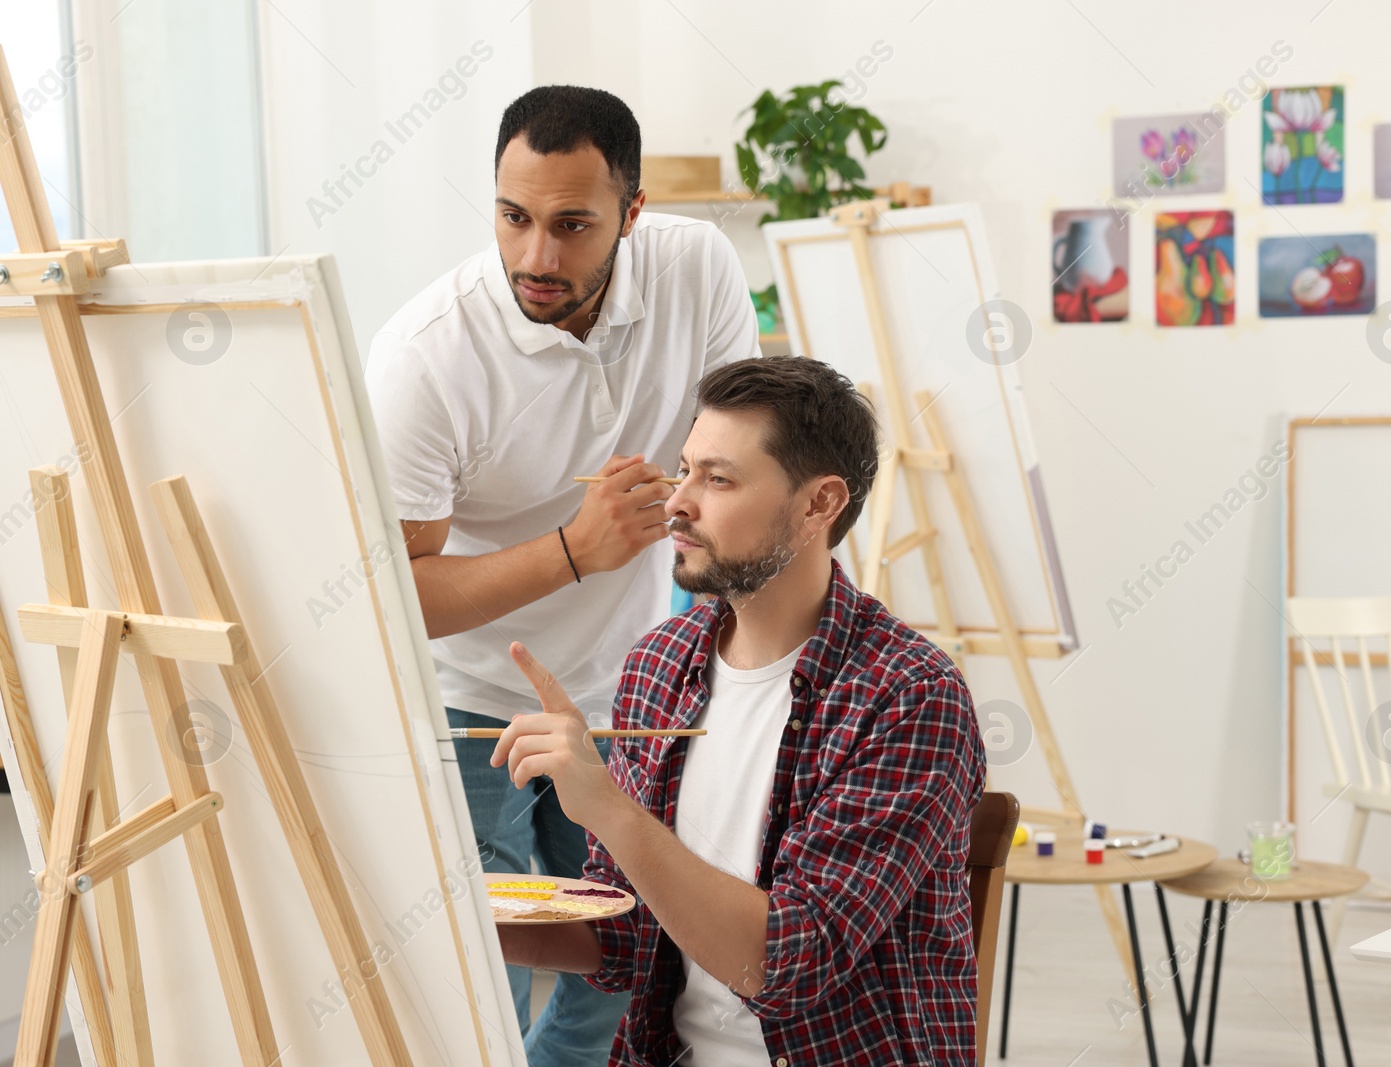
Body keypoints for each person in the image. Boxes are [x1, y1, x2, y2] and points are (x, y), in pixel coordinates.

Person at [364, 85, 761, 1064]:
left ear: (632, 214)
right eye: (514, 217)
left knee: (633, 954)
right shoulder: (424, 360)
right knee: (474, 976)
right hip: (463, 703)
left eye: (573, 224)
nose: (536, 256)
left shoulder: (694, 266)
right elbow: (397, 593)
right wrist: (574, 550)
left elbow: (739, 458)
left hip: (621, 692)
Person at [492, 356, 987, 1065]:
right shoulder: (660, 665)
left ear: (820, 504)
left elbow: (786, 964)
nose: (676, 503)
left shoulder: (908, 696)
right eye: (683, 470)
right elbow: (625, 937)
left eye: (717, 478)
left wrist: (605, 806)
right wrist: (469, 916)